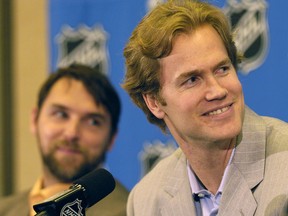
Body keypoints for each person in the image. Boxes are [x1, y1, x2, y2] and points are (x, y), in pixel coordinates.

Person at [122, 0, 288, 215]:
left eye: (222, 69)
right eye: (192, 79)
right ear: (154, 102)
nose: (217, 91)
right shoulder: (145, 201)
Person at [0, 64, 129, 216]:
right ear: (35, 119)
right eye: (61, 114)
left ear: (112, 138)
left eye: (93, 122)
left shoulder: (132, 211)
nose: (71, 133)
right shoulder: (4, 209)